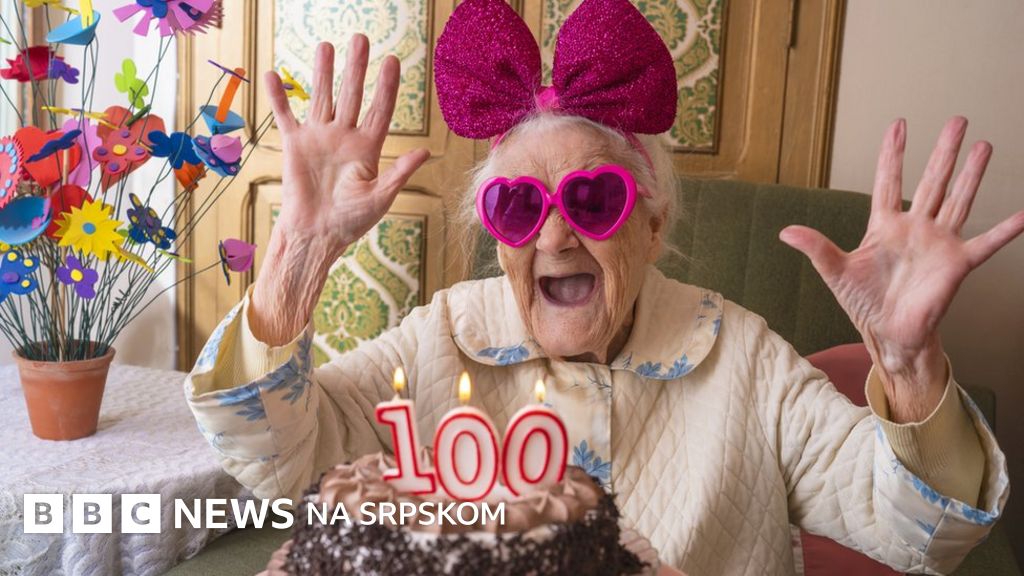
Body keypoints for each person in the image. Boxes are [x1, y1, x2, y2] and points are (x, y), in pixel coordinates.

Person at [185, 1, 1018, 573]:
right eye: (520, 207)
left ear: (652, 225)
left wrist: (909, 366)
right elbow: (283, 463)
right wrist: (293, 263)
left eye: (591, 199)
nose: (553, 237)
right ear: (499, 237)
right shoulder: (442, 334)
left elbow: (923, 534)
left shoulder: (745, 358)